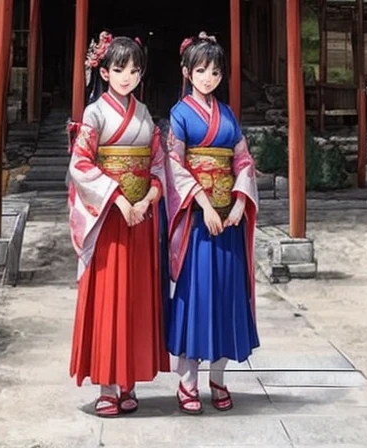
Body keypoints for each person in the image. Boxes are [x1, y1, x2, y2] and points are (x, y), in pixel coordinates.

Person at [67, 32, 169, 417]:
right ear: (104, 72)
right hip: (110, 218)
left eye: (135, 69)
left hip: (139, 217)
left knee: (136, 298)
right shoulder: (94, 114)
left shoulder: (144, 115)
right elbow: (81, 164)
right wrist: (120, 198)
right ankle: (108, 385)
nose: (128, 76)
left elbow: (156, 163)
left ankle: (128, 382)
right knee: (111, 296)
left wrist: (149, 196)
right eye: (119, 68)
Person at [160, 31, 260, 415]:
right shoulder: (180, 114)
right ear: (187, 71)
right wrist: (204, 204)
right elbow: (175, 164)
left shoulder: (229, 114)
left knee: (226, 295)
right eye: (201, 70)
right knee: (197, 295)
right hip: (199, 222)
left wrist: (238, 203)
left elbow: (243, 161)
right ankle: (188, 382)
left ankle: (218, 377)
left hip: (228, 222)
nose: (208, 78)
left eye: (215, 71)